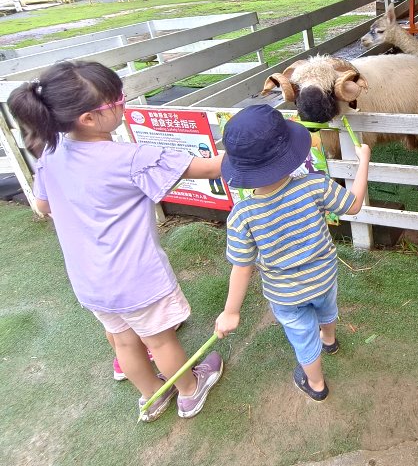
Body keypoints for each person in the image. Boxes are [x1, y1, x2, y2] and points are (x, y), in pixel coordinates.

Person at [8, 61, 226, 422]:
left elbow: (44, 205)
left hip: (89, 278)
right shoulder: (129, 159)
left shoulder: (51, 150)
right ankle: (190, 390)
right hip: (135, 276)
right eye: (116, 100)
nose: (123, 103)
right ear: (89, 119)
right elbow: (210, 167)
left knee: (124, 340)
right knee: (160, 340)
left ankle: (151, 398)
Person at [214, 104, 370, 401]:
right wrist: (363, 161)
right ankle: (330, 339)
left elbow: (242, 267)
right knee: (326, 309)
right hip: (324, 277)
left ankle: (316, 384)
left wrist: (231, 312)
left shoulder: (242, 215)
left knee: (302, 336)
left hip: (286, 294)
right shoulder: (315, 186)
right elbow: (354, 205)